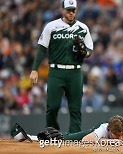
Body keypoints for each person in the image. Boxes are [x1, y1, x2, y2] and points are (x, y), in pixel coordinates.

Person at [29, 0, 93, 133]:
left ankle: (74, 137)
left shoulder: (83, 28)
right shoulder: (51, 26)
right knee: (52, 106)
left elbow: (89, 51)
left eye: (73, 10)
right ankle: (52, 133)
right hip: (56, 71)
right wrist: (35, 69)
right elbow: (41, 48)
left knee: (75, 109)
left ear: (76, 10)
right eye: (68, 10)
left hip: (75, 72)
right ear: (62, 10)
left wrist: (84, 52)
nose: (71, 13)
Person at [11, 115, 123, 144]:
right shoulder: (104, 128)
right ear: (110, 131)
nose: (121, 138)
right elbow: (86, 140)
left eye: (122, 135)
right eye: (117, 135)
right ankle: (31, 136)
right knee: (65, 139)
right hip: (94, 131)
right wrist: (110, 142)